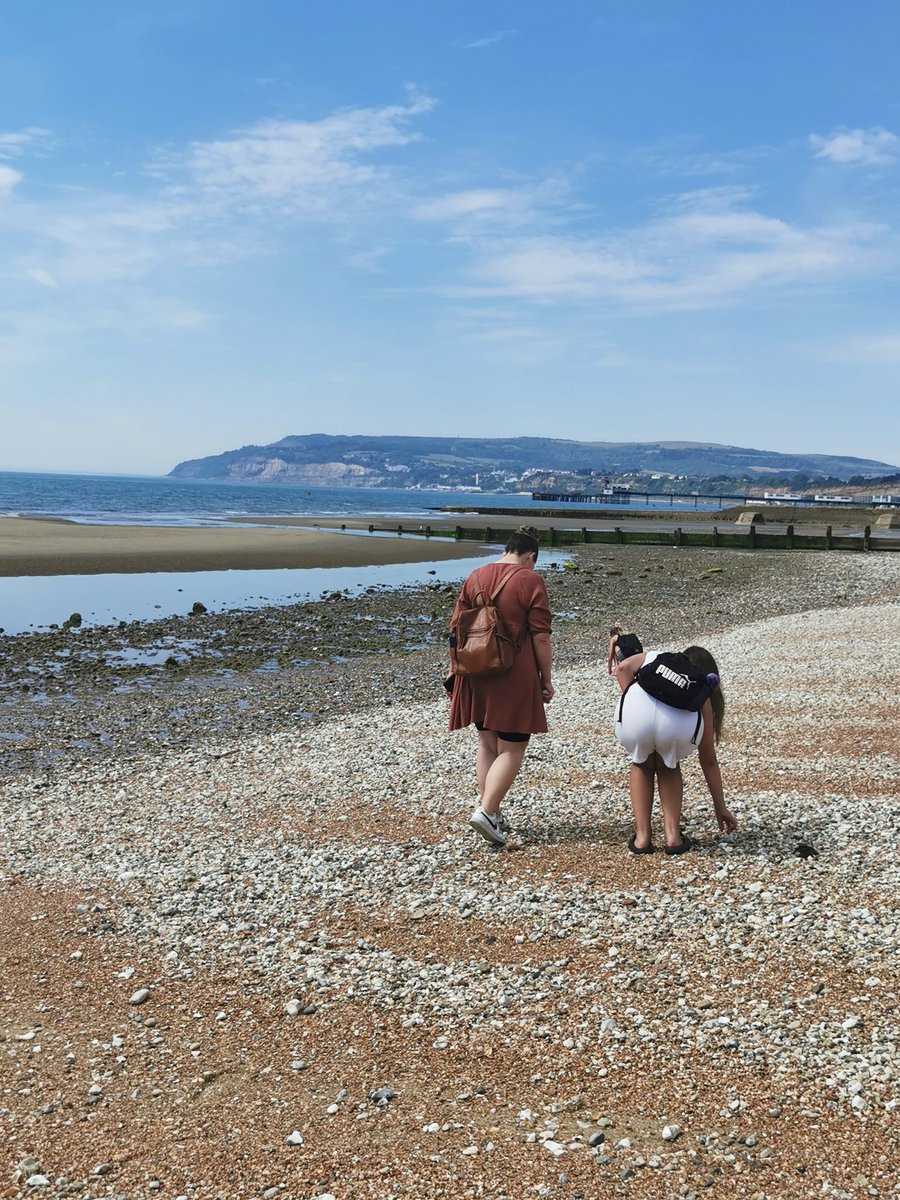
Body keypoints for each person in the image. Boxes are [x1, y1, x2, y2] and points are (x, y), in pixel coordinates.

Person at [448, 527, 554, 848]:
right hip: (513, 673)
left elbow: (456, 630)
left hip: (476, 671)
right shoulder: (530, 580)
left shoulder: (475, 576)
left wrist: (454, 673)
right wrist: (546, 679)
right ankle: (488, 809)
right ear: (530, 556)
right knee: (513, 747)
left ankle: (489, 810)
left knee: (487, 744)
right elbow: (541, 635)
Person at [614, 644, 737, 854]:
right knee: (668, 765)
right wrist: (720, 806)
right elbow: (708, 760)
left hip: (635, 716)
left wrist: (633, 696)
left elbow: (623, 668)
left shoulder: (656, 658)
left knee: (641, 763)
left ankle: (642, 838)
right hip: (676, 731)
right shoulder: (701, 688)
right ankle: (673, 837)